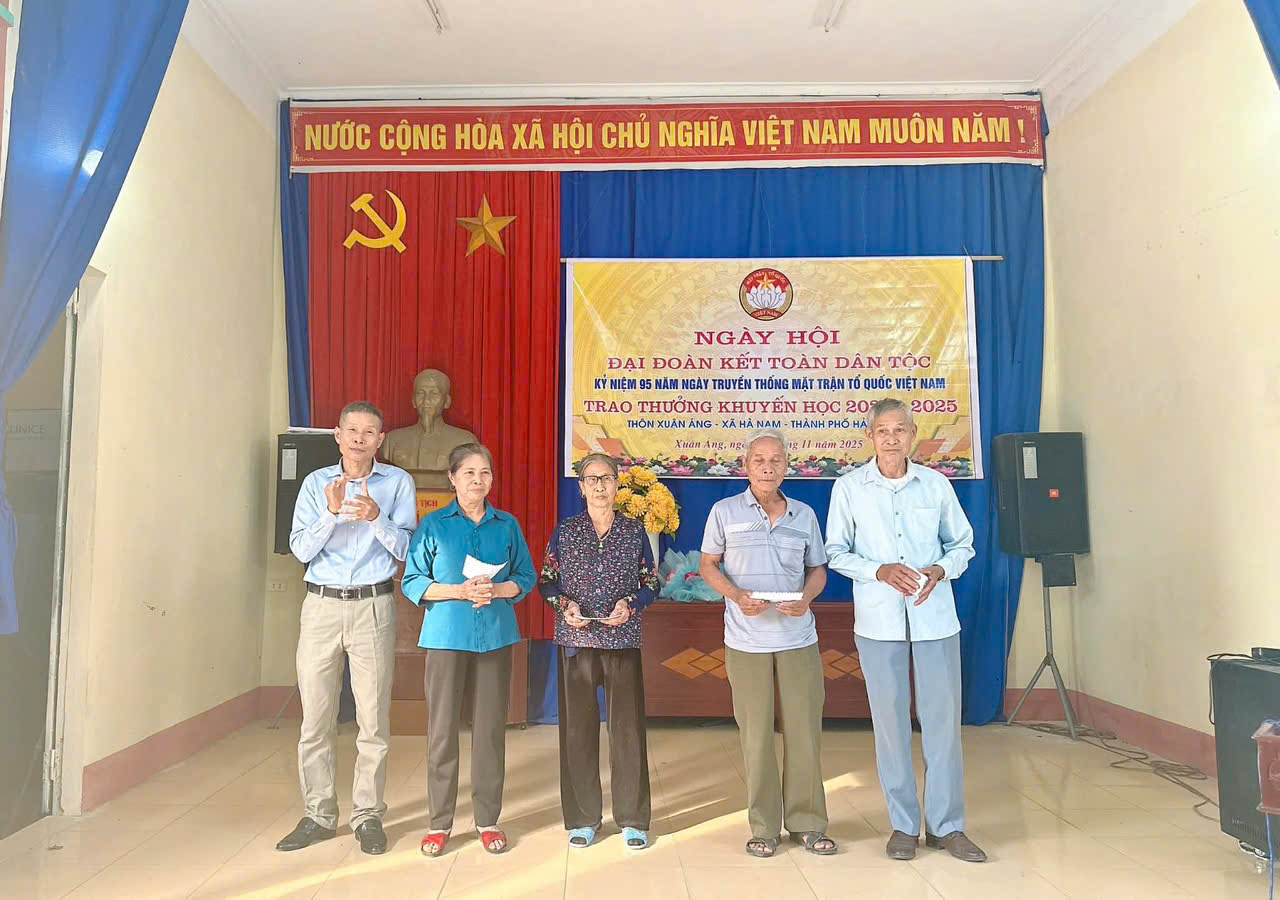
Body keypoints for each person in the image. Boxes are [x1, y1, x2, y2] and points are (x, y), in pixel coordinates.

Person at [824, 398, 984, 863]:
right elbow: (835, 551)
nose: (891, 439)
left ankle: (947, 827)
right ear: (869, 436)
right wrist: (878, 571)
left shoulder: (935, 485)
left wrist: (940, 569)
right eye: (883, 430)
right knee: (890, 726)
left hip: (935, 620)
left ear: (913, 435)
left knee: (942, 725)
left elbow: (963, 544)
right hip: (879, 623)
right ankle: (903, 826)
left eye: (900, 430)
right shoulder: (849, 488)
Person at [278, 401, 417, 856]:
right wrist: (331, 513)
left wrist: (377, 517)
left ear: (380, 440)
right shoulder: (315, 484)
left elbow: (408, 549)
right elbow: (301, 550)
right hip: (320, 607)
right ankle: (318, 814)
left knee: (372, 719)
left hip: (373, 605)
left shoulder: (397, 483)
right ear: (337, 436)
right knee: (315, 719)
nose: (359, 438)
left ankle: (368, 815)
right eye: (351, 430)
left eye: (369, 431)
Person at [698, 429, 836, 859]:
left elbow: (818, 570)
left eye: (776, 460)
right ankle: (764, 827)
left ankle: (808, 823)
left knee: (804, 732)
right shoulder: (724, 511)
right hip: (746, 640)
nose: (767, 467)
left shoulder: (804, 514)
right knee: (755, 736)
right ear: (745, 465)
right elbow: (708, 564)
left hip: (798, 638)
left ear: (787, 466)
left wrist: (806, 598)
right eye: (759, 459)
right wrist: (736, 595)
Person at [401, 443, 536, 857]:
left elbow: (526, 576)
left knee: (490, 731)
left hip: (495, 637)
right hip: (446, 638)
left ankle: (487, 820)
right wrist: (459, 591)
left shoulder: (506, 525)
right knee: (442, 731)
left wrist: (498, 589)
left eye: (485, 473)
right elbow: (412, 581)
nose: (478, 480)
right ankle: (439, 823)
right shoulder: (433, 525)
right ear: (453, 478)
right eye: (469, 473)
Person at [538, 454, 661, 850]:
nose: (599, 486)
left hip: (622, 640)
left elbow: (651, 582)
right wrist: (565, 607)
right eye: (591, 479)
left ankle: (633, 819)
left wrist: (631, 604)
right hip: (576, 642)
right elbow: (546, 581)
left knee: (627, 731)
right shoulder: (567, 530)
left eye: (606, 478)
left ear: (617, 484)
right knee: (577, 731)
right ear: (581, 487)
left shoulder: (633, 530)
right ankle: (583, 818)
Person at [381, 369, 478, 489]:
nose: (426, 400)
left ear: (446, 401)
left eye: (434, 393)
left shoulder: (465, 442)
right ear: (413, 401)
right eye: (421, 393)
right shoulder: (392, 440)